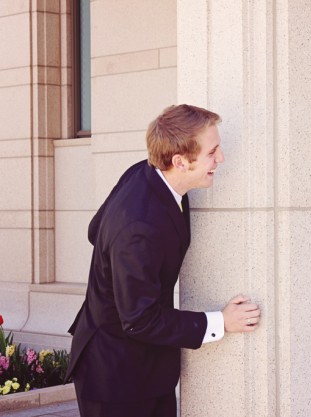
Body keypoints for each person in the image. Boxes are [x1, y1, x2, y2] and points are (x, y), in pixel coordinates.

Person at [65, 104, 261, 417]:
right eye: (212, 152)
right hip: (115, 380)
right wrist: (221, 322)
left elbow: (94, 230)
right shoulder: (138, 227)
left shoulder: (145, 174)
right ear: (180, 161)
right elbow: (139, 319)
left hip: (148, 369)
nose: (220, 159)